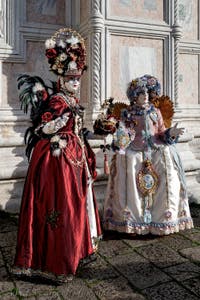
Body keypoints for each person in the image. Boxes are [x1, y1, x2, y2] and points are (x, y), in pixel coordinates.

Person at [12, 28, 101, 283]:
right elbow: (42, 128)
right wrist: (58, 123)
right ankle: (57, 260)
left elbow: (74, 129)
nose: (76, 82)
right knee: (61, 206)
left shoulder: (71, 101)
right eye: (71, 79)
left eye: (78, 79)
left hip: (73, 157)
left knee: (75, 205)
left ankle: (75, 251)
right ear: (61, 79)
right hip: (57, 161)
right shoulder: (58, 101)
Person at [103, 75, 193, 235]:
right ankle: (131, 220)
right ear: (134, 96)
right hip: (134, 149)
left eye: (147, 94)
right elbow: (122, 132)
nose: (145, 97)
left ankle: (162, 219)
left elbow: (160, 132)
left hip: (154, 147)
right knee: (128, 159)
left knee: (166, 159)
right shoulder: (127, 113)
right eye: (141, 94)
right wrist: (120, 138)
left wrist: (171, 133)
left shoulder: (155, 112)